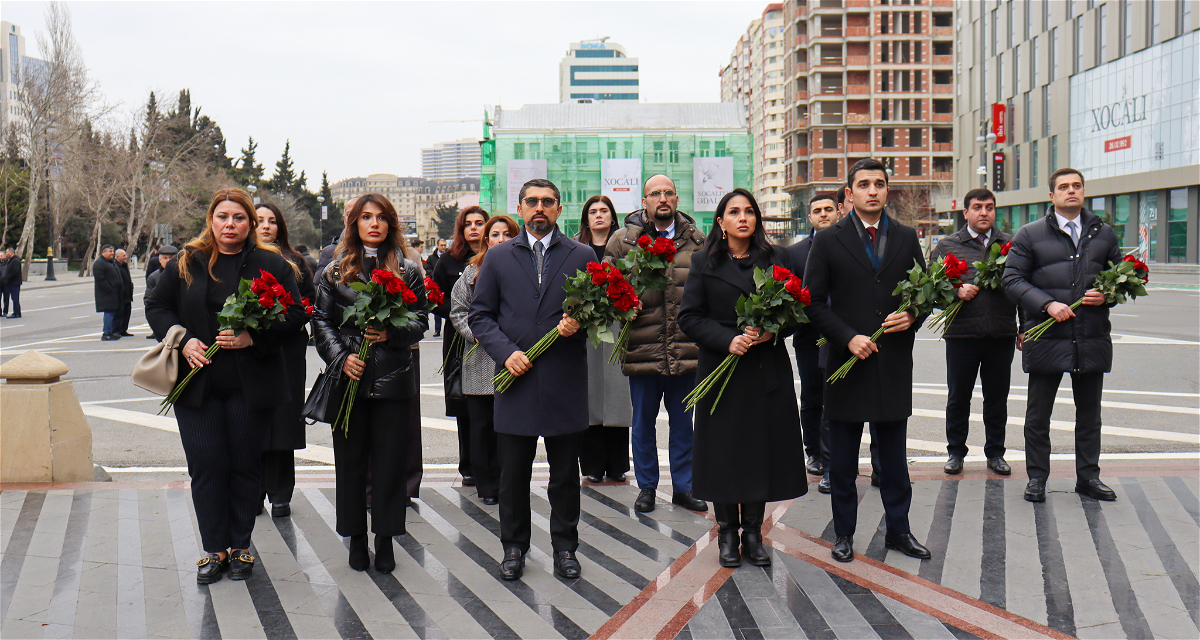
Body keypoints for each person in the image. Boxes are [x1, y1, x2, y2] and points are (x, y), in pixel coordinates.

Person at [145, 188, 305, 584]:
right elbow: (157, 305)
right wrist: (181, 339)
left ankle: (240, 546)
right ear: (211, 221)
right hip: (197, 385)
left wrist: (255, 337)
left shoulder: (272, 263)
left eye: (238, 217)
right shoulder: (188, 261)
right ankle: (214, 548)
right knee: (207, 464)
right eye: (222, 217)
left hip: (250, 386)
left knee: (244, 464)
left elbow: (295, 314)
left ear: (250, 223)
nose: (229, 224)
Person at [804, 158, 931, 564]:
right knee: (842, 461)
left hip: (892, 362)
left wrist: (913, 315)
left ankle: (899, 530)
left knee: (893, 459)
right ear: (849, 193)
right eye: (863, 184)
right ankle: (843, 533)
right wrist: (847, 337)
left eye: (879, 183)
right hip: (847, 364)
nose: (872, 190)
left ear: (887, 191)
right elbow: (813, 302)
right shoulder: (828, 240)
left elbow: (923, 293)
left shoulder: (906, 237)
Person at [469, 178, 593, 582]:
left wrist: (581, 323)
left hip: (564, 379)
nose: (540, 207)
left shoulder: (582, 254)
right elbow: (480, 315)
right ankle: (513, 547)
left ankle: (565, 548)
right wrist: (506, 353)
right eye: (532, 201)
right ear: (520, 207)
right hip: (515, 378)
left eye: (548, 201)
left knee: (565, 476)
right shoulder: (498, 256)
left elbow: (598, 310)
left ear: (559, 208)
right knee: (513, 475)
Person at [678, 188, 808, 568]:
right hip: (721, 371)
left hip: (766, 370)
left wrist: (772, 330)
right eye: (734, 212)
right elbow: (689, 317)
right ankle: (726, 533)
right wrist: (727, 339)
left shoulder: (777, 258)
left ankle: (753, 533)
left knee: (760, 452)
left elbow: (797, 311)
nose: (743, 218)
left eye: (749, 211)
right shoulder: (703, 261)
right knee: (723, 454)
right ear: (721, 222)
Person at [312, 194, 428, 573]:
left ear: (390, 223)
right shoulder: (335, 272)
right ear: (355, 224)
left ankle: (385, 538)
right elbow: (321, 321)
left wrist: (392, 332)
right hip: (350, 378)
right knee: (350, 463)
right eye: (366, 217)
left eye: (380, 217)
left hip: (394, 380)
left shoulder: (407, 270)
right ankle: (356, 538)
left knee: (390, 464)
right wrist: (341, 358)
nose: (373, 223)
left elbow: (420, 320)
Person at [1003, 168, 1121, 503]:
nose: (1072, 191)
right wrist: (1047, 304)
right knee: (1038, 416)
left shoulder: (1104, 233)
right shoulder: (1030, 234)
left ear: (1083, 191)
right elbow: (1012, 280)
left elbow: (1119, 279)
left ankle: (1089, 477)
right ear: (1051, 195)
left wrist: (1107, 295)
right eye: (1064, 187)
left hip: (1090, 336)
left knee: (1090, 415)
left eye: (1077, 186)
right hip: (1047, 336)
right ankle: (1037, 478)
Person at [604, 175, 709, 514]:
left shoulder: (697, 241)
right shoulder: (623, 241)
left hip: (685, 347)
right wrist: (623, 305)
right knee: (642, 424)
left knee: (683, 424)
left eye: (668, 193)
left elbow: (709, 290)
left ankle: (684, 487)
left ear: (676, 199)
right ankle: (647, 486)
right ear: (644, 201)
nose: (662, 198)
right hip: (642, 346)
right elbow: (606, 285)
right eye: (655, 194)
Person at [931, 189, 1016, 476]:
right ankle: (955, 452)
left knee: (997, 398)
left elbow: (1023, 286)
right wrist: (955, 291)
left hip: (1001, 334)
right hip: (962, 335)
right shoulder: (948, 245)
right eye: (977, 207)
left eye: (989, 207)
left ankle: (996, 453)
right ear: (965, 212)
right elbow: (931, 288)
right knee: (958, 397)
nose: (984, 212)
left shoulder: (1010, 245)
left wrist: (1025, 327)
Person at [449, 215, 518, 506]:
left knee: (511, 427)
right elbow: (458, 311)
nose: (500, 239)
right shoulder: (472, 271)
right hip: (479, 357)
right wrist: (477, 334)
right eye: (495, 234)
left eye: (507, 234)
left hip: (514, 358)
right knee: (481, 427)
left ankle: (510, 482)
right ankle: (487, 485)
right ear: (486, 240)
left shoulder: (525, 269)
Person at [255, 203, 316, 516]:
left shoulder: (295, 261)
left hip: (287, 349)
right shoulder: (241, 258)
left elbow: (308, 302)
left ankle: (280, 494)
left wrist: (286, 317)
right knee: (251, 420)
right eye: (260, 220)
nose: (266, 226)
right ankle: (252, 492)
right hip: (250, 348)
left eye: (272, 221)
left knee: (283, 420)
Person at [575, 195, 633, 485]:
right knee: (589, 393)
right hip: (585, 327)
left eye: (604, 210)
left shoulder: (624, 247)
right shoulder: (575, 248)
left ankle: (618, 464)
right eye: (593, 211)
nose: (599, 215)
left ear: (612, 216)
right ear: (586, 218)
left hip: (617, 325)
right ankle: (592, 464)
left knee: (618, 395)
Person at [788, 193, 842, 495]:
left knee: (838, 398)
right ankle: (814, 453)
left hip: (842, 336)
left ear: (839, 212)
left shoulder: (849, 246)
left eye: (828, 209)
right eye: (817, 211)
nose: (823, 214)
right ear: (809, 217)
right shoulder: (795, 253)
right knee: (811, 397)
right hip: (808, 337)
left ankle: (838, 456)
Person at [432, 206, 488, 487]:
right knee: (463, 403)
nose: (474, 228)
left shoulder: (497, 256)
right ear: (461, 229)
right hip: (458, 338)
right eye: (468, 224)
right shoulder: (448, 261)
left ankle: (491, 465)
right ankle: (468, 466)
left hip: (493, 340)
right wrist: (460, 311)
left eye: (479, 223)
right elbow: (435, 298)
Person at [318, 197, 358, 275]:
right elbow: (319, 281)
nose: (354, 218)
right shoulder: (329, 252)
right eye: (349, 214)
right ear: (344, 219)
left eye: (358, 214)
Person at [93, 244, 122, 341]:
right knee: (109, 312)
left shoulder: (111, 262)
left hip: (114, 293)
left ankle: (111, 331)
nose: (112, 253)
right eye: (110, 251)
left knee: (112, 312)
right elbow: (100, 279)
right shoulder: (99, 263)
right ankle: (106, 333)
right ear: (103, 252)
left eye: (113, 251)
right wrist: (110, 289)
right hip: (106, 294)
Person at [426, 238, 447, 336]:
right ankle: (437, 329)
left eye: (445, 245)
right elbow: (428, 269)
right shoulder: (431, 258)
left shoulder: (449, 257)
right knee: (437, 308)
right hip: (436, 285)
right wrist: (435, 275)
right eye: (441, 245)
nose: (443, 247)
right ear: (437, 246)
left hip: (446, 285)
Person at [113, 249, 134, 338]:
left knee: (127, 313)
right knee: (119, 314)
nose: (126, 257)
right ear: (117, 257)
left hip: (127, 294)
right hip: (121, 295)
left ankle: (123, 330)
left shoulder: (124, 266)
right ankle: (116, 330)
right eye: (123, 256)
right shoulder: (115, 266)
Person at [2, 248, 21, 318]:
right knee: (14, 298)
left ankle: (16, 313)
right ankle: (17, 312)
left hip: (14, 283)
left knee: (15, 298)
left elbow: (15, 272)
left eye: (7, 252)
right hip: (12, 282)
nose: (6, 254)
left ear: (10, 253)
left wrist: (8, 277)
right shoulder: (12, 260)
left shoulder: (15, 261)